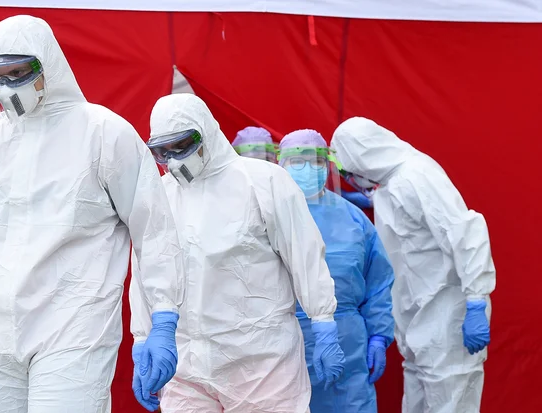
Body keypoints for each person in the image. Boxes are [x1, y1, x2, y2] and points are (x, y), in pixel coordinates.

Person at [0, 15, 184, 413]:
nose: (8, 87)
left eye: (19, 72)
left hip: (73, 330)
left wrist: (161, 319)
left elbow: (154, 230)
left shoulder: (103, 133)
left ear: (47, 65)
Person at [129, 94, 345, 413]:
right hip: (188, 364)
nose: (174, 160)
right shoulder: (161, 197)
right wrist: (142, 339)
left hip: (262, 361)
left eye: (183, 145)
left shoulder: (263, 182)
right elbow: (145, 272)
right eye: (163, 151)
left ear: (206, 131)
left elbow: (305, 256)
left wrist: (323, 320)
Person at [330, 117, 495, 413]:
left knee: (451, 397)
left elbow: (465, 234)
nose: (350, 178)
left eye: (350, 171)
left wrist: (475, 301)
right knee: (419, 395)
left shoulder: (417, 176)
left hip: (447, 313)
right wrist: (371, 199)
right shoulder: (391, 181)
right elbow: (407, 222)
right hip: (419, 318)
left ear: (362, 158)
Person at [279, 129, 395, 413]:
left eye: (315, 160)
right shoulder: (266, 216)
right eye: (297, 161)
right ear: (280, 165)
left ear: (327, 164)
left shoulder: (353, 218)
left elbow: (377, 281)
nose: (307, 168)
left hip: (347, 343)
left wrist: (379, 336)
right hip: (282, 344)